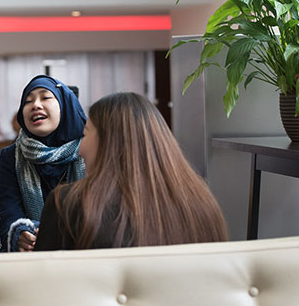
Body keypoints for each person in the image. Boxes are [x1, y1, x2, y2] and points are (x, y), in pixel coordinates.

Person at [34, 92, 227, 250]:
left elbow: (44, 287)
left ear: (109, 142)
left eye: (85, 134)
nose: (80, 147)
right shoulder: (203, 202)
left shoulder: (67, 204)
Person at [0, 75, 87, 252]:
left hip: (83, 248)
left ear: (65, 106)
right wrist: (19, 233)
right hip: (31, 254)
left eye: (45, 97)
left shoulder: (87, 148)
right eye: (27, 101)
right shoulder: (11, 156)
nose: (35, 105)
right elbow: (9, 211)